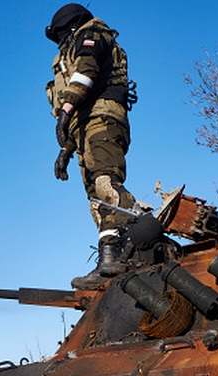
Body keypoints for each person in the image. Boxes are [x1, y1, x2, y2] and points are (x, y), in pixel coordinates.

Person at [45, 4, 139, 289]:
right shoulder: (68, 52)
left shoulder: (93, 36)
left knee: (106, 183)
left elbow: (85, 73)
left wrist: (64, 111)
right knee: (97, 199)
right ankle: (109, 259)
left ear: (71, 26)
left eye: (61, 34)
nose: (60, 41)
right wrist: (66, 150)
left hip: (103, 118)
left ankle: (139, 233)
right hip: (85, 126)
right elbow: (78, 108)